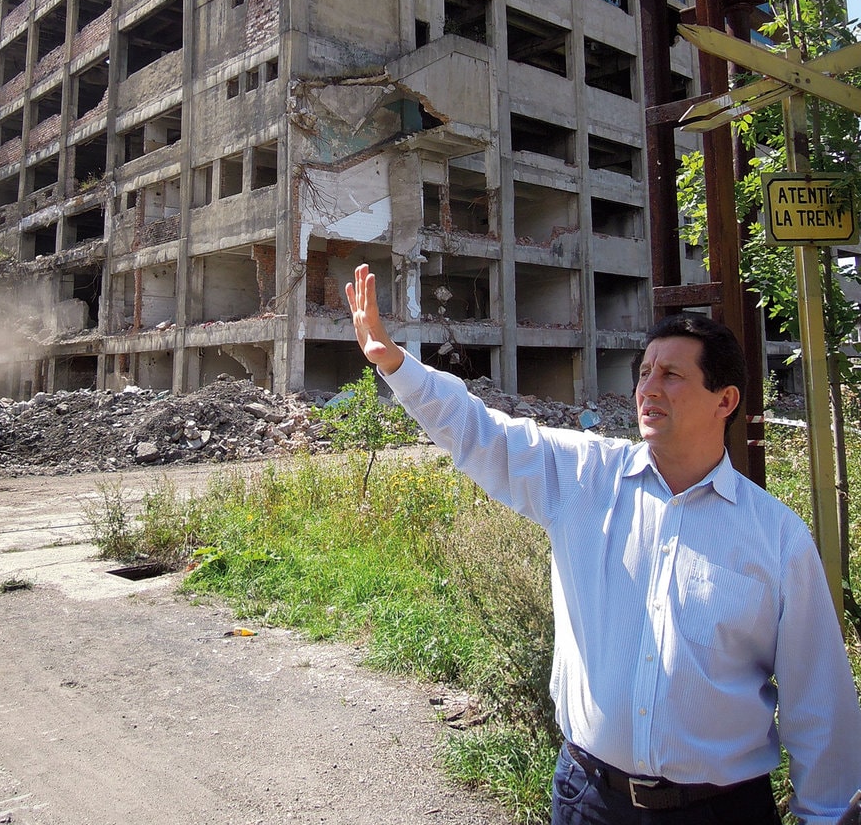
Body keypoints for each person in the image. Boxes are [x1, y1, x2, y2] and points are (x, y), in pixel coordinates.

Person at [344, 263, 861, 824]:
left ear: (725, 400)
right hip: (590, 799)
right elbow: (481, 434)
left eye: (671, 375)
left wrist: (826, 815)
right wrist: (395, 364)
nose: (648, 388)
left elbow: (819, 704)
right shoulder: (584, 477)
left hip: (720, 810)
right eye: (644, 373)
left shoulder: (776, 536)